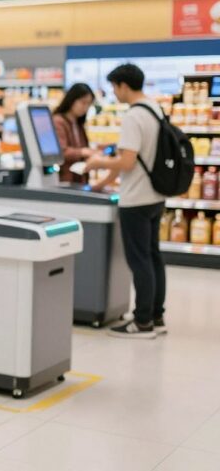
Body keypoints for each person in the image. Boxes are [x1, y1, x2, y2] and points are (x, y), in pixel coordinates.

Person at [86, 64, 166, 339]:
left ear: (123, 85)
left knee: (139, 259)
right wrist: (103, 183)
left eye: (114, 87)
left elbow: (127, 161)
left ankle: (142, 322)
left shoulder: (134, 116)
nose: (114, 93)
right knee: (153, 256)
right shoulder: (155, 108)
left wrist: (98, 163)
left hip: (136, 198)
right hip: (156, 195)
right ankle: (156, 315)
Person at [52, 83, 97, 183]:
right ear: (72, 99)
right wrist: (83, 152)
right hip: (66, 180)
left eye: (88, 104)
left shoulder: (77, 122)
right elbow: (61, 152)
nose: (85, 107)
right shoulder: (58, 122)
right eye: (83, 102)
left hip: (79, 179)